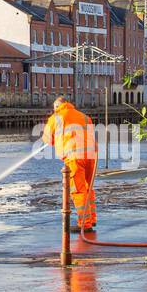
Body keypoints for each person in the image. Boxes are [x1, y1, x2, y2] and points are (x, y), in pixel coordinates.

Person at [42, 96, 98, 232]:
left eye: (54, 108)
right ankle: (92, 219)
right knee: (87, 187)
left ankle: (85, 224)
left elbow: (47, 139)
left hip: (74, 157)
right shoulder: (84, 116)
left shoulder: (56, 118)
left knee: (78, 191)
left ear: (57, 107)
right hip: (91, 156)